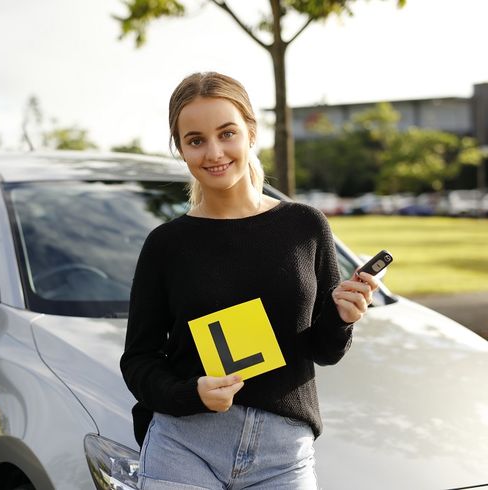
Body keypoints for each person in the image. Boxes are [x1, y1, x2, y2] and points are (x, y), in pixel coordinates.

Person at [120, 72, 379, 489]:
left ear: (251, 133)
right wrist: (193, 393)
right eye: (196, 140)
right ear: (181, 149)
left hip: (283, 453)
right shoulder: (165, 245)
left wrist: (342, 317)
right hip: (186, 444)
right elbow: (138, 360)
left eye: (227, 133)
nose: (214, 152)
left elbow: (322, 350)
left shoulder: (305, 226)